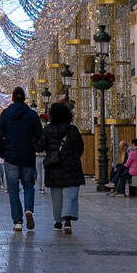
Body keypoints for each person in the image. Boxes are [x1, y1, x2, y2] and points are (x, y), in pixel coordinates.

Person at [0, 87, 43, 231]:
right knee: (28, 185)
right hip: (27, 156)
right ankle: (28, 210)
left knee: (13, 190)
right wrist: (34, 147)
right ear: (25, 98)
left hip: (11, 157)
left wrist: (3, 152)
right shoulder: (32, 115)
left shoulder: (6, 114)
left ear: (12, 98)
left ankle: (17, 222)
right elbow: (39, 134)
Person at [41, 100, 86, 234]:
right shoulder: (73, 130)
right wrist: (73, 157)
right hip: (71, 167)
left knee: (56, 195)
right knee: (70, 194)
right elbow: (80, 147)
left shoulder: (48, 129)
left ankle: (57, 221)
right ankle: (68, 221)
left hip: (54, 168)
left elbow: (40, 146)